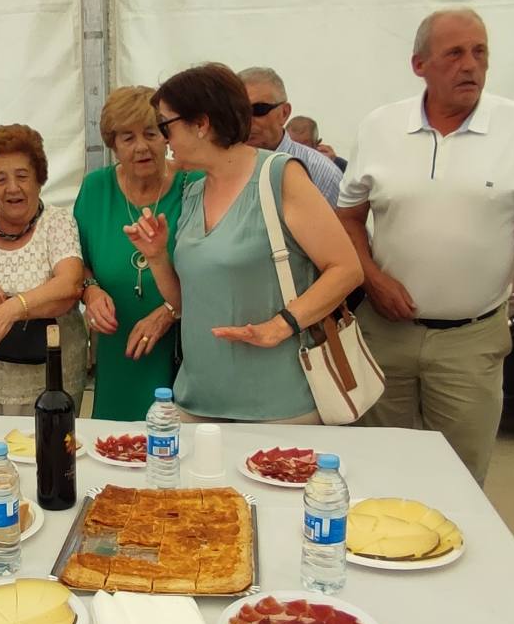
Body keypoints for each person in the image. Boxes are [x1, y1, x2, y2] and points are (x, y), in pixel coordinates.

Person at [336, 8, 514, 485]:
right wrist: (375, 280)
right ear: (419, 64)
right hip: (384, 332)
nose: (471, 65)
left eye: (480, 51)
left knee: (461, 483)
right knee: (379, 472)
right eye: (455, 53)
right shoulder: (380, 127)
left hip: (472, 340)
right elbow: (347, 218)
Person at [125, 63, 363, 423]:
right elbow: (186, 304)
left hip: (279, 407)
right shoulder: (193, 188)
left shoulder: (279, 176)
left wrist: (280, 326)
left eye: (164, 126)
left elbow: (346, 269)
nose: (163, 140)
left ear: (201, 124)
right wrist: (157, 257)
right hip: (197, 399)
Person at [73, 86, 187, 421]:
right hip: (116, 346)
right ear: (113, 146)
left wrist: (169, 311)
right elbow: (77, 263)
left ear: (166, 137)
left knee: (172, 443)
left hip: (180, 347)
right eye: (127, 138)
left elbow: (209, 271)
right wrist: (91, 292)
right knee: (114, 444)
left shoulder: (190, 185)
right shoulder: (96, 188)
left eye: (151, 133)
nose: (141, 147)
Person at [0, 124, 86, 416]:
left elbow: (70, 286)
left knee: (52, 453)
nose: (13, 188)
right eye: (0, 179)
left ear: (39, 180)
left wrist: (9, 310)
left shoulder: (57, 223)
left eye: (22, 176)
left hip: (55, 381)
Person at [237, 67, 342, 206]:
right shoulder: (218, 168)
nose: (247, 120)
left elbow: (343, 227)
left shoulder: (322, 174)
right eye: (238, 111)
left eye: (258, 109)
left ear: (284, 113)